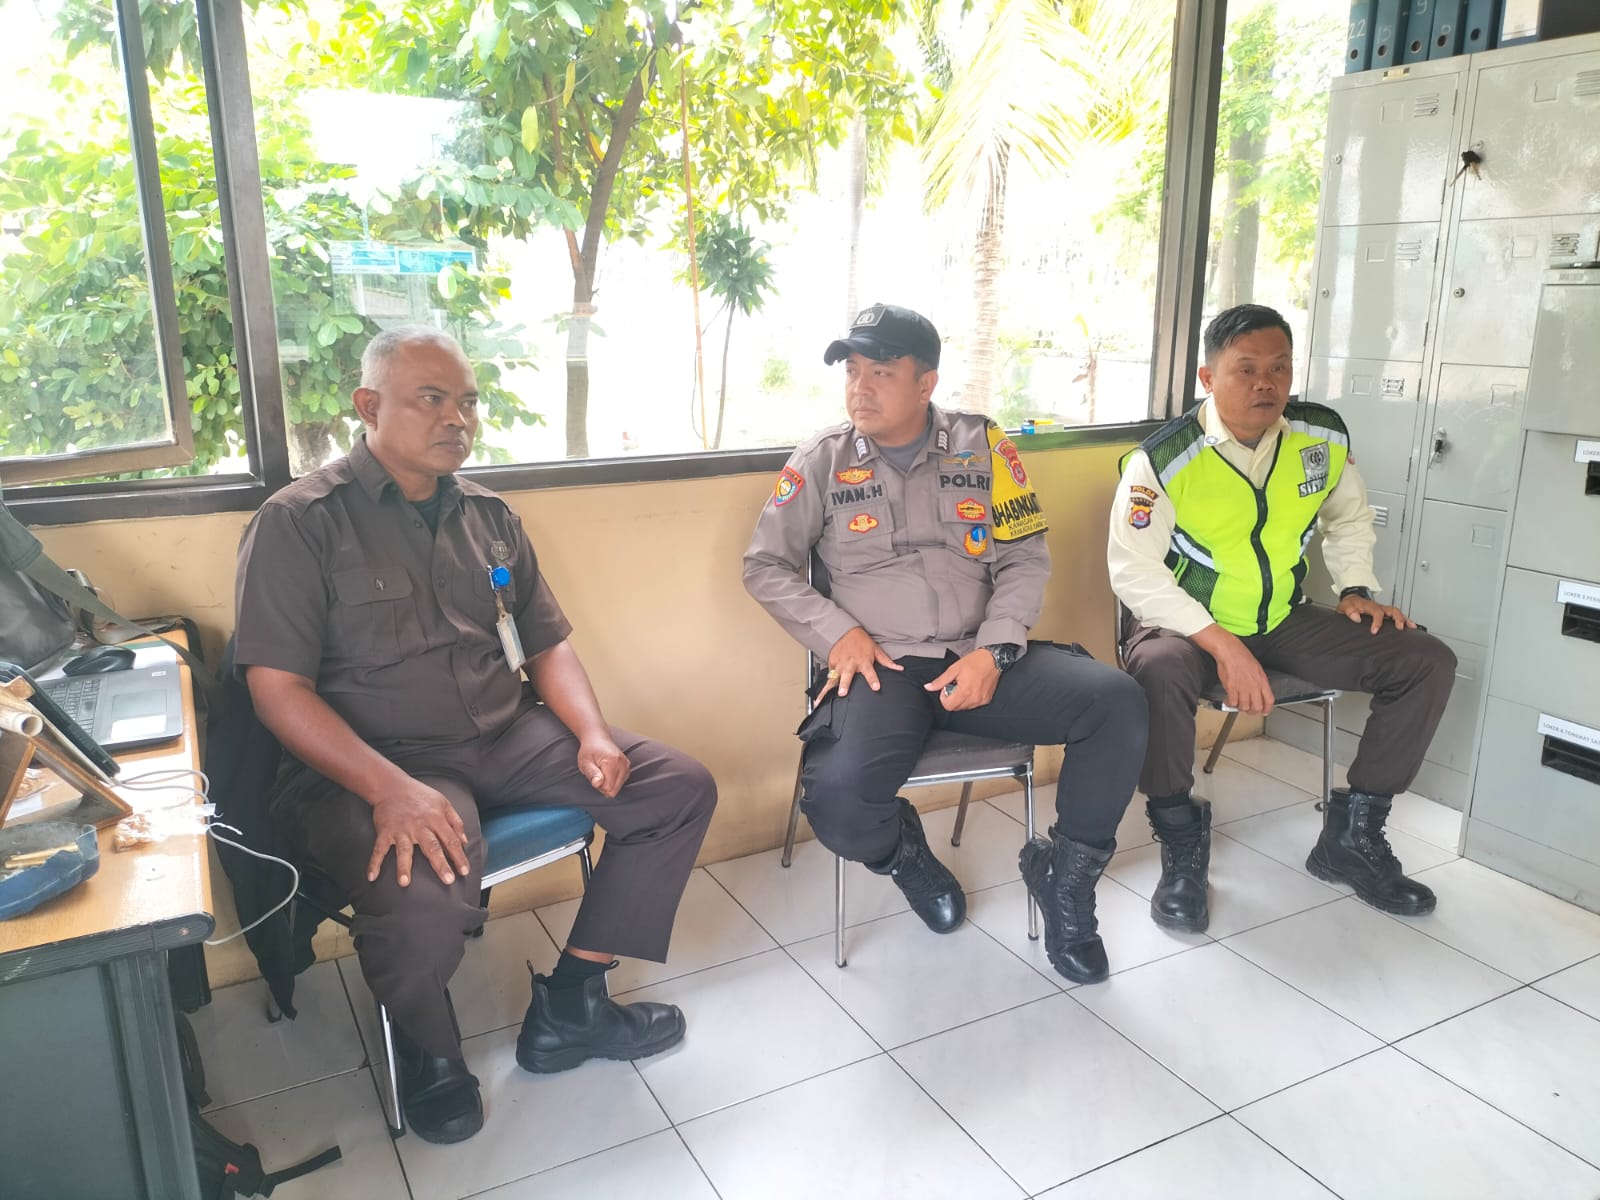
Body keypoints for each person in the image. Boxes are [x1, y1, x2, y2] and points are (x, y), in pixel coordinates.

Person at [233, 326, 716, 1144]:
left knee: (675, 788)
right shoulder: (300, 523)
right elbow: (277, 691)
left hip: (506, 733)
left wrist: (592, 733)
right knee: (418, 886)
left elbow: (546, 643)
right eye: (432, 398)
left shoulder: (489, 517)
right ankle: (429, 1049)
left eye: (467, 401)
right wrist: (390, 790)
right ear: (368, 406)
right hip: (381, 761)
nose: (457, 418)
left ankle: (574, 1002)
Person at [743, 303, 1147, 984]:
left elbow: (1023, 557)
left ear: (925, 382)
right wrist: (838, 634)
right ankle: (905, 856)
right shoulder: (822, 460)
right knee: (838, 800)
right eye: (852, 371)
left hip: (980, 656)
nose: (860, 388)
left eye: (880, 372)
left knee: (1117, 701)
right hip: (882, 666)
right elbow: (765, 566)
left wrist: (996, 650)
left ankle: (1067, 883)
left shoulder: (983, 445)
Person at [1108, 303, 1456, 933]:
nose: (1265, 383)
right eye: (1246, 369)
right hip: (1185, 627)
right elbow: (1134, 571)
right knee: (1158, 669)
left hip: (1279, 619)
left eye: (1279, 368)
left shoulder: (1320, 437)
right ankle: (1181, 845)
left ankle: (1353, 837)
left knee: (1424, 659)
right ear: (1208, 377)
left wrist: (1355, 587)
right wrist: (1223, 646)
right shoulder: (1163, 460)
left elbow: (1348, 517)